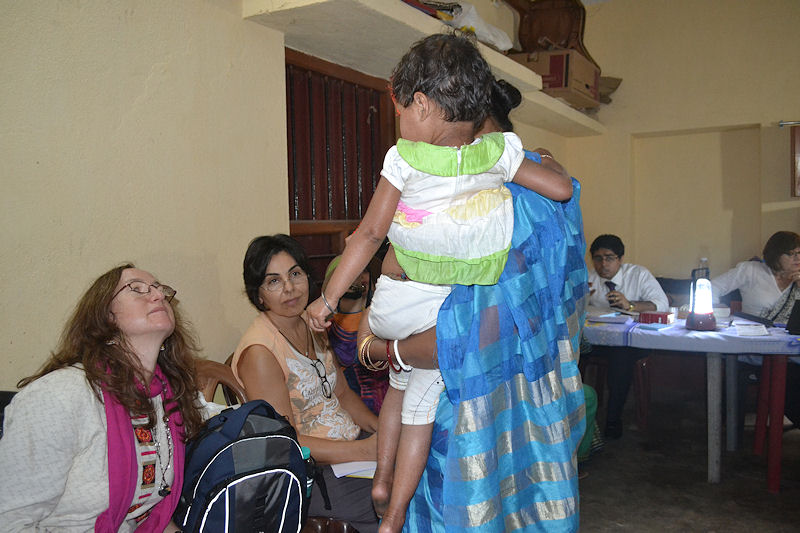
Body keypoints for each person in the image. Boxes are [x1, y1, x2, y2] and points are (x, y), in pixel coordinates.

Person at [306, 32, 573, 532]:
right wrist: (548, 162)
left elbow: (368, 236)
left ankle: (381, 477)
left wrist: (327, 300)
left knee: (398, 388)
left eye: (401, 109)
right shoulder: (500, 157)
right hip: (443, 317)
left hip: (394, 307)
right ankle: (394, 510)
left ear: (423, 104)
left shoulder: (404, 160)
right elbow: (560, 190)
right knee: (419, 409)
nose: (401, 122)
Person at [0, 264, 206, 532]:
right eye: (137, 289)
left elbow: (145, 514)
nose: (158, 295)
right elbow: (9, 520)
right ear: (106, 316)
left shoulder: (169, 395)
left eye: (160, 289)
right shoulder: (59, 395)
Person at [231, 234, 380, 533]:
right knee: (395, 496)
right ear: (258, 295)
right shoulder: (260, 353)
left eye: (295, 274)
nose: (289, 288)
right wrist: (366, 450)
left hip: (352, 450)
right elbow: (286, 442)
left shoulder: (311, 323)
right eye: (274, 281)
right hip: (312, 472)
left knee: (421, 468)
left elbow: (342, 394)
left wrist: (381, 431)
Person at [711, 230, 800, 425]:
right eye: (791, 254)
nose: (797, 258)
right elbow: (711, 287)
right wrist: (719, 312)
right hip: (755, 347)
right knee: (790, 380)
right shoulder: (751, 271)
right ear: (776, 255)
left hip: (792, 349)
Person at [585, 234, 669, 439]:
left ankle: (613, 420)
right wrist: (580, 298)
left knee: (620, 360)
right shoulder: (588, 278)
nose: (603, 264)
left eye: (609, 258)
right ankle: (577, 417)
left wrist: (630, 305)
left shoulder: (638, 275)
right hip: (600, 340)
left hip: (631, 343)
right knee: (576, 352)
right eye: (598, 258)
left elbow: (662, 304)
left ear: (620, 259)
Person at [323, 254, 389, 415]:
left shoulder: (386, 318)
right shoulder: (325, 327)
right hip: (351, 409)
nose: (357, 276)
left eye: (363, 270)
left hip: (389, 403)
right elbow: (346, 356)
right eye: (347, 272)